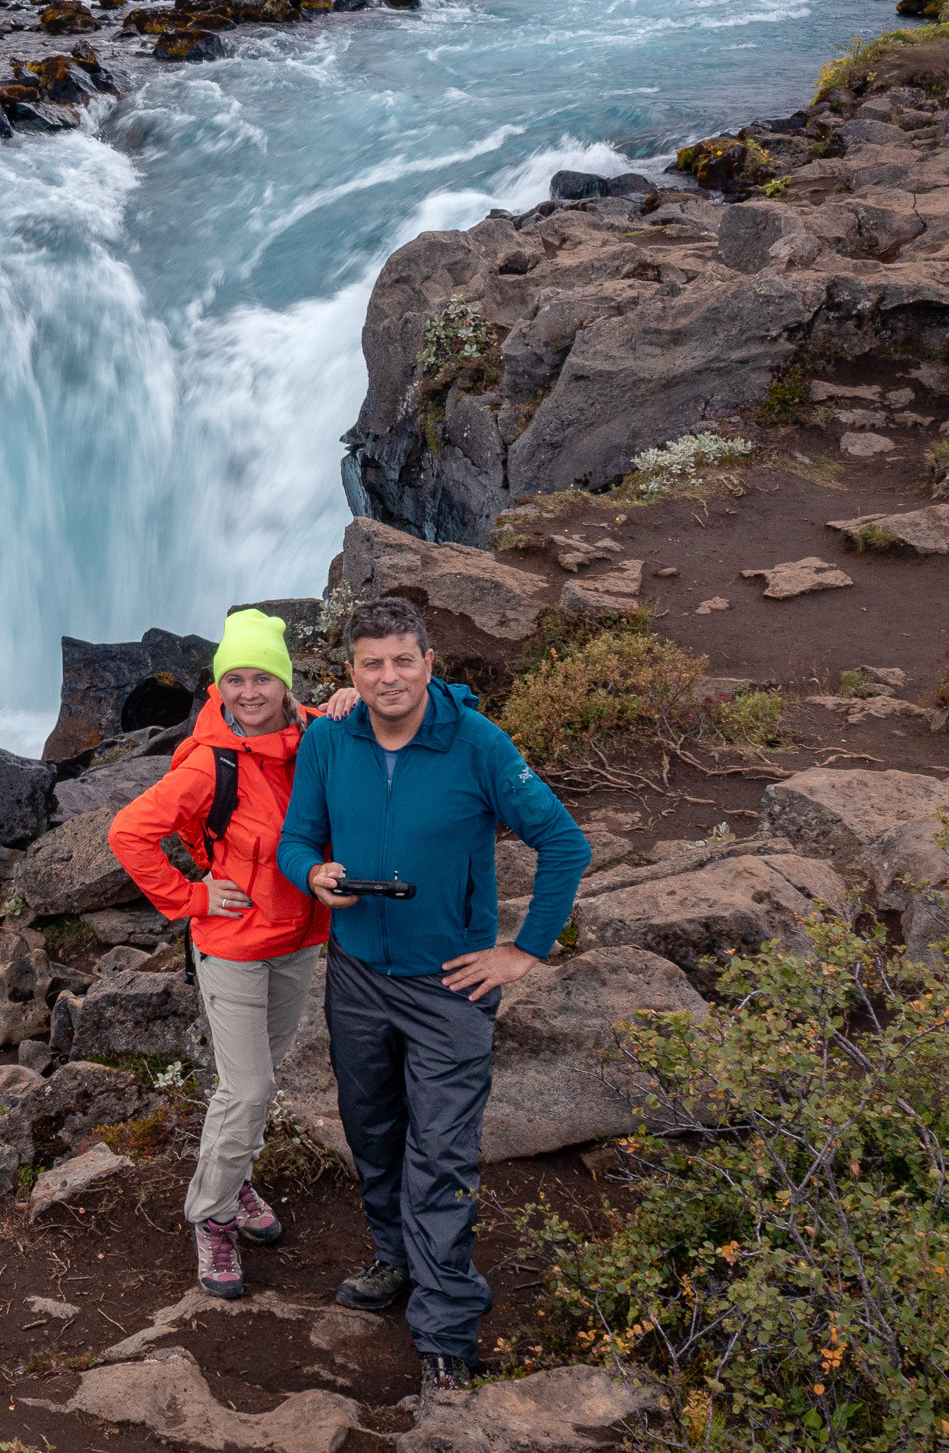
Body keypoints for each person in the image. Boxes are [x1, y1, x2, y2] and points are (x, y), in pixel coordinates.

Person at [276, 596, 590, 1404]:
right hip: (355, 973)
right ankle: (394, 1258)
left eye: (402, 661)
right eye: (371, 664)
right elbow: (296, 840)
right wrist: (313, 875)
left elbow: (564, 842)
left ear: (427, 662)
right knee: (372, 1128)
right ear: (351, 672)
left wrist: (523, 951)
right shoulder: (327, 737)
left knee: (442, 1153)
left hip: (450, 985)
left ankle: (447, 1329)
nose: (389, 677)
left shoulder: (477, 744)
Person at [109, 608, 358, 1299]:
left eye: (263, 678)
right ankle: (212, 1218)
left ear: (285, 683)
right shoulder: (208, 764)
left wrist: (356, 696)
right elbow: (129, 833)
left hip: (302, 940)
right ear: (220, 686)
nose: (249, 692)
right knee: (246, 1090)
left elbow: (405, 717)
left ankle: (236, 1182)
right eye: (235, 679)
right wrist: (191, 897)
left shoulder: (313, 729)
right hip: (235, 947)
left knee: (256, 1083)